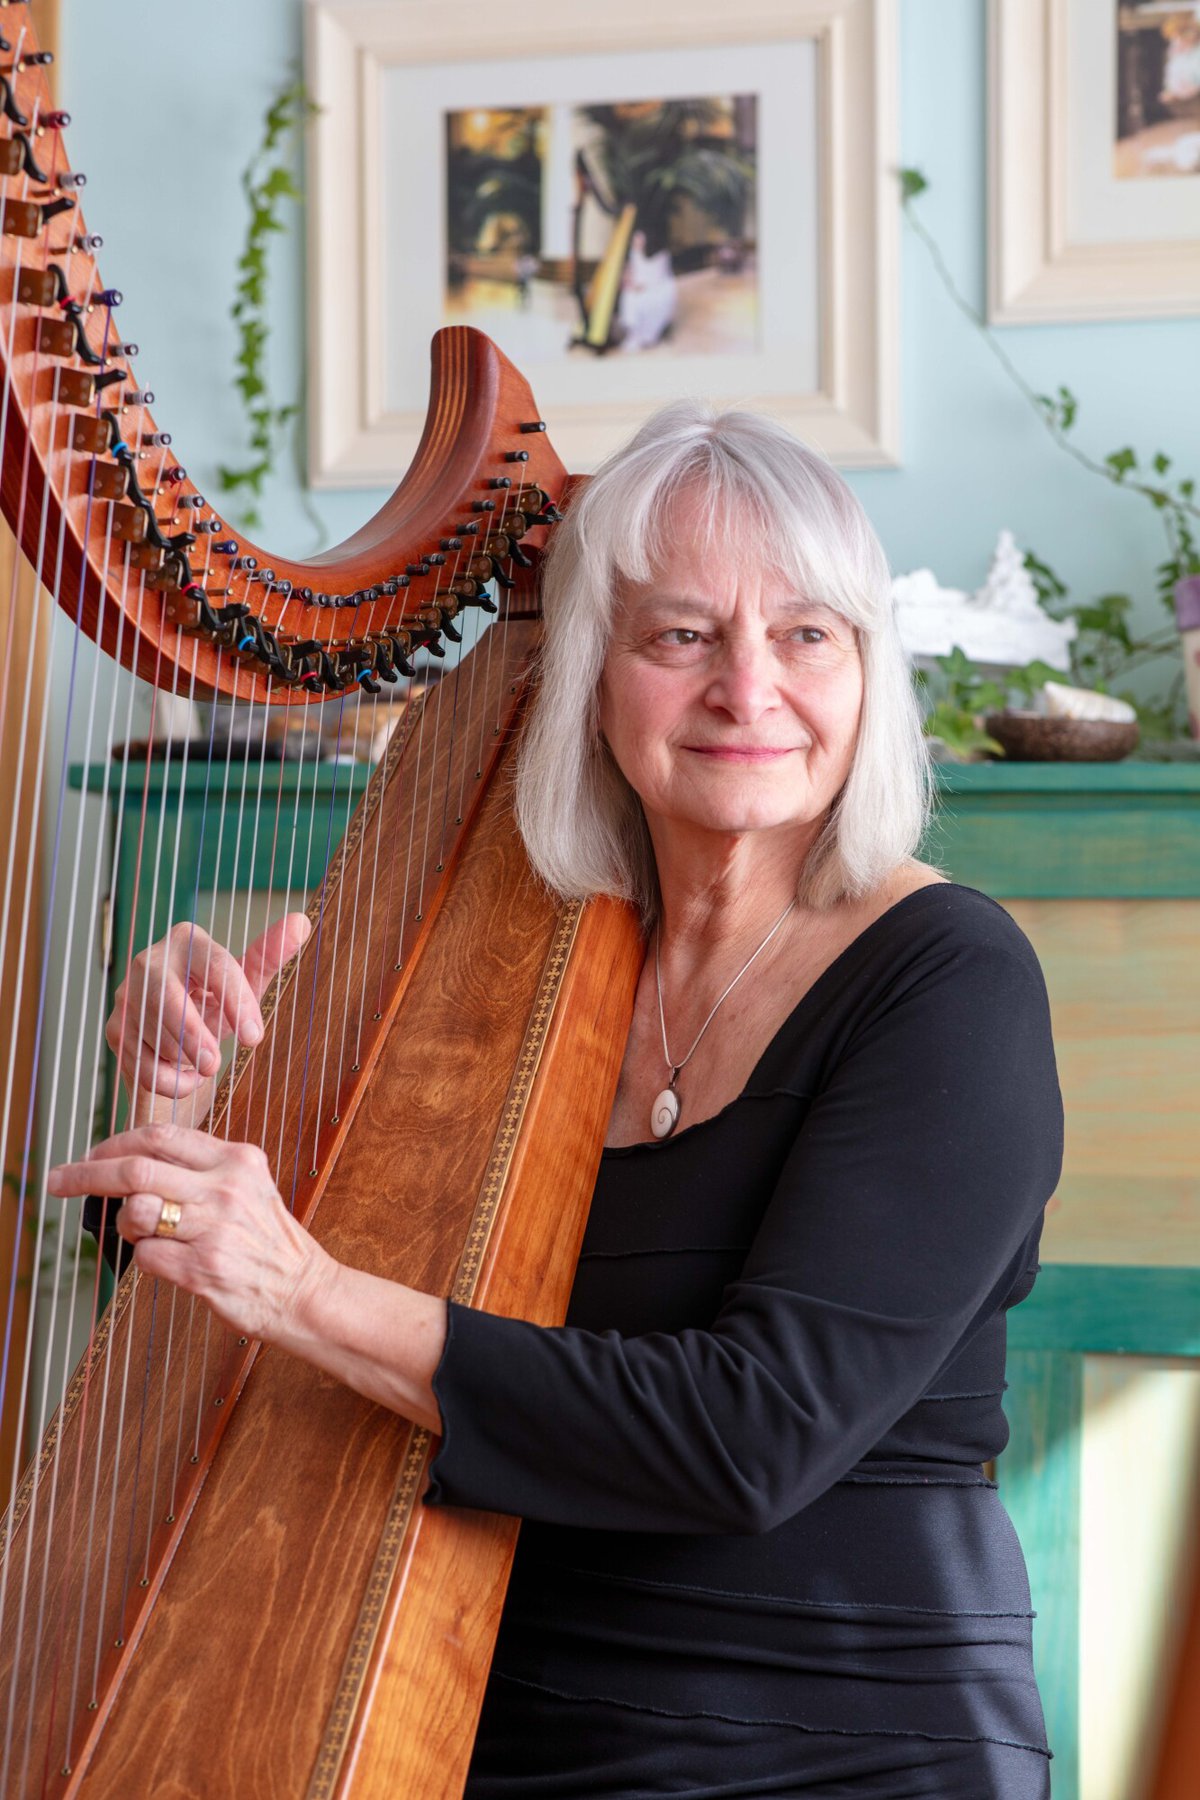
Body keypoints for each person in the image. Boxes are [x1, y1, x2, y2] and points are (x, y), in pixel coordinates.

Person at [57, 402, 1062, 1797]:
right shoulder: (512, 976)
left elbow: (747, 1439)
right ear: (592, 674)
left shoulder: (950, 981)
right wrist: (197, 1126)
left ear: (867, 678)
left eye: (805, 635)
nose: (748, 689)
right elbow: (248, 1327)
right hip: (496, 1725)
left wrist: (298, 1284)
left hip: (839, 1751)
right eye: (684, 635)